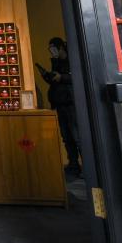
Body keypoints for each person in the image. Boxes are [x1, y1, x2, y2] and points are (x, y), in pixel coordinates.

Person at [40, 37, 81, 178]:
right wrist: (47, 76)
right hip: (60, 103)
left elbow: (77, 77)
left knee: (77, 136)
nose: (52, 51)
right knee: (66, 137)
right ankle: (73, 165)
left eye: (53, 48)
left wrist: (62, 77)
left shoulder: (72, 60)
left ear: (61, 48)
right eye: (50, 49)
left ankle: (87, 168)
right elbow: (55, 81)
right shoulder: (56, 62)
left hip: (71, 103)